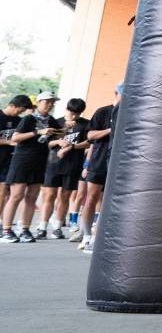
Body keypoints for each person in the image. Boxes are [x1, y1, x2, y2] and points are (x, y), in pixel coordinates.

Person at [2, 92, 52, 242]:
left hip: (39, 162)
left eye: (52, 102)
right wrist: (37, 132)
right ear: (39, 102)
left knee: (32, 197)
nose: (50, 105)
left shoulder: (51, 120)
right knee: (15, 195)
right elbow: (15, 138)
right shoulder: (28, 119)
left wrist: (63, 132)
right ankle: (6, 230)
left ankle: (25, 229)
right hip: (21, 161)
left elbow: (56, 137)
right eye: (46, 102)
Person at [77, 85, 120, 251]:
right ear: (117, 94)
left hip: (118, 162)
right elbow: (90, 136)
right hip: (99, 160)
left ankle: (100, 236)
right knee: (92, 197)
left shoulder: (130, 112)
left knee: (110, 200)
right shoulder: (103, 112)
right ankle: (86, 235)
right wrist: (110, 129)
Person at [40, 98, 90, 239]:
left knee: (65, 196)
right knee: (49, 195)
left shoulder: (86, 124)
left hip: (73, 164)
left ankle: (57, 228)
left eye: (77, 114)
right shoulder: (56, 122)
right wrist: (59, 141)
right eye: (71, 113)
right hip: (54, 163)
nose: (73, 116)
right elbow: (48, 144)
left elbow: (89, 143)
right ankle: (42, 227)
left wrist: (72, 146)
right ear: (66, 109)